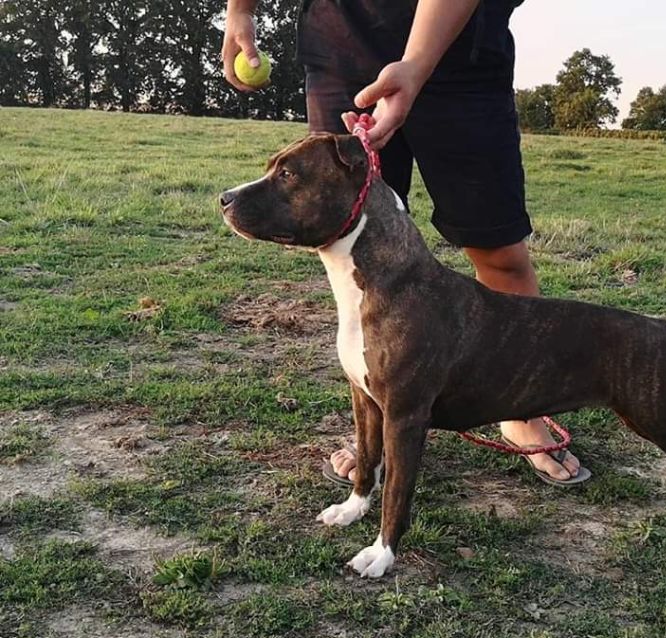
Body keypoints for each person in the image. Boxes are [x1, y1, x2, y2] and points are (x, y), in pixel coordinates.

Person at [222, 0, 588, 485]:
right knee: (357, 250)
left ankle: (522, 412)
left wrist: (415, 65)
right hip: (342, 47)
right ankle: (381, 420)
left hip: (463, 56)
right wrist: (240, 11)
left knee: (498, 248)